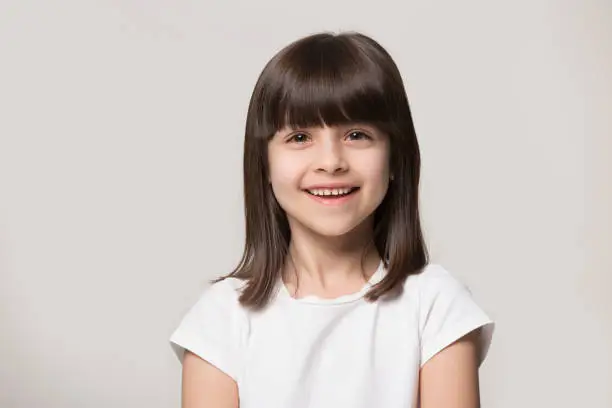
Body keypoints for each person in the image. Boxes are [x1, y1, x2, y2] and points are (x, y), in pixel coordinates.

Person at [169, 31, 495, 408]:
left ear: (395, 159)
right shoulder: (220, 318)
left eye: (357, 135)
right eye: (300, 137)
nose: (331, 161)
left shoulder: (435, 306)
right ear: (264, 164)